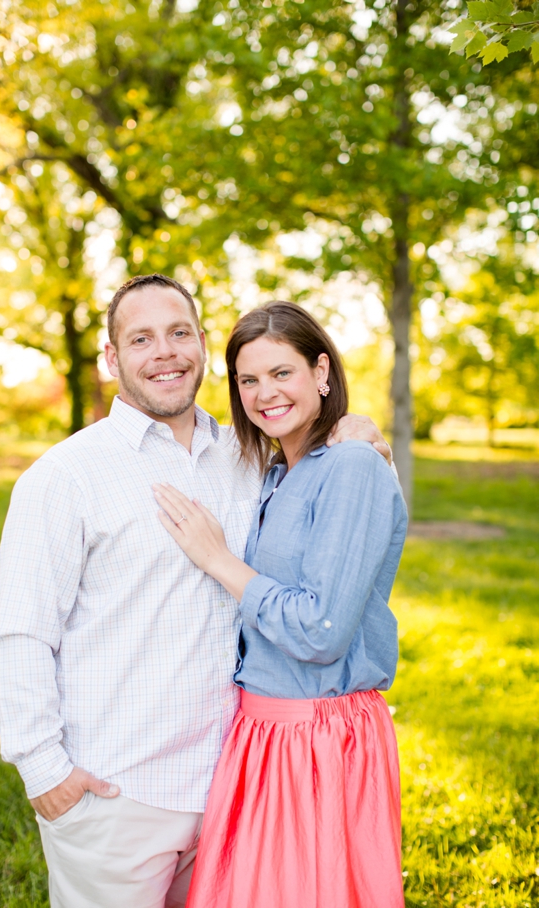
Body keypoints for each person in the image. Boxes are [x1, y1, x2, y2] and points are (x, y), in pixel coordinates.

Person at [0, 274, 393, 908]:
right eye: (141, 338)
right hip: (117, 790)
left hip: (235, 783)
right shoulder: (64, 477)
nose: (165, 351)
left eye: (179, 333)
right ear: (113, 359)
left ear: (203, 344)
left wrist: (356, 432)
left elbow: (328, 508)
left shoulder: (251, 453)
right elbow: (19, 633)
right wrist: (45, 770)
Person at [152, 300, 407, 908]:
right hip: (260, 731)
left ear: (322, 373)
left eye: (282, 373)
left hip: (320, 737)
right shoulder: (273, 472)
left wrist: (219, 562)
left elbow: (321, 630)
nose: (265, 393)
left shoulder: (352, 467)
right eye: (248, 380)